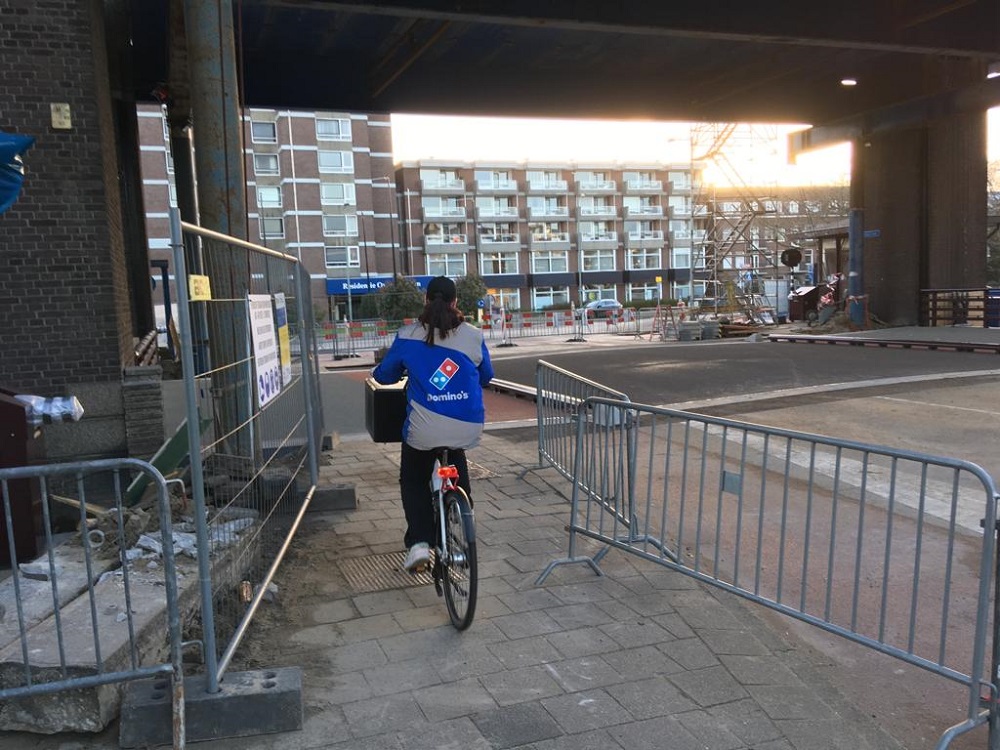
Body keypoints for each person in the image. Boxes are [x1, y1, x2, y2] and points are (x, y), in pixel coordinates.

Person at [371, 276, 494, 572]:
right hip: (468, 426)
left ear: (426, 301)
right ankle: (462, 509)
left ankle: (420, 543)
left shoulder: (408, 334)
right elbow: (487, 376)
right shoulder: (473, 335)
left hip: (424, 430)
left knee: (413, 479)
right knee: (454, 449)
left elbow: (384, 376)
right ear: (455, 303)